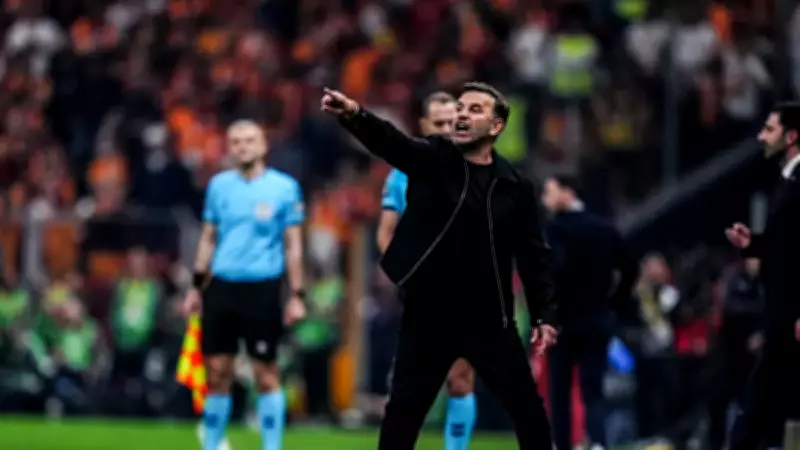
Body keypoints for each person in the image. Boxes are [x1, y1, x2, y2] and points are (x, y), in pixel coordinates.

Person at [322, 82, 558, 450]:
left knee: (528, 411)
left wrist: (544, 314)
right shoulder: (433, 158)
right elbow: (391, 143)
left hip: (489, 318)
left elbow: (533, 254)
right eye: (460, 107)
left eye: (475, 110)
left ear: (496, 126)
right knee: (403, 413)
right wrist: (355, 115)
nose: (462, 114)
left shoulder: (515, 186)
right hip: (429, 315)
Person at [182, 120, 307, 450]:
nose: (243, 147)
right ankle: (211, 445)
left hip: (263, 287)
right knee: (217, 371)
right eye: (236, 141)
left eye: (249, 140)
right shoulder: (219, 186)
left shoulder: (284, 188)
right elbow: (208, 238)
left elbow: (293, 245)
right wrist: (196, 286)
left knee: (265, 372)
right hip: (222, 287)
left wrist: (296, 294)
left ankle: (271, 447)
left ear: (263, 145)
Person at [378, 91, 479, 450]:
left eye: (453, 122)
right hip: (423, 291)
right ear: (423, 125)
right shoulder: (402, 174)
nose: (447, 129)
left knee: (460, 378)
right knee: (412, 384)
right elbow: (386, 233)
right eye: (439, 123)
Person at [540, 175, 638, 450]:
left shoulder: (556, 229)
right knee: (593, 390)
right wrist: (614, 303)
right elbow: (630, 268)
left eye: (550, 192)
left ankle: (561, 444)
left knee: (560, 392)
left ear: (568, 192)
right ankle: (597, 442)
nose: (545, 199)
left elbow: (556, 272)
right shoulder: (603, 227)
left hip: (564, 321)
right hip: (597, 320)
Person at [724, 102, 800, 450]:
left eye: (770, 129)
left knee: (759, 402)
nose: (761, 136)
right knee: (770, 401)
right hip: (781, 314)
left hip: (790, 316)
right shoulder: (787, 182)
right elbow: (787, 248)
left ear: (792, 136)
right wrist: (752, 244)